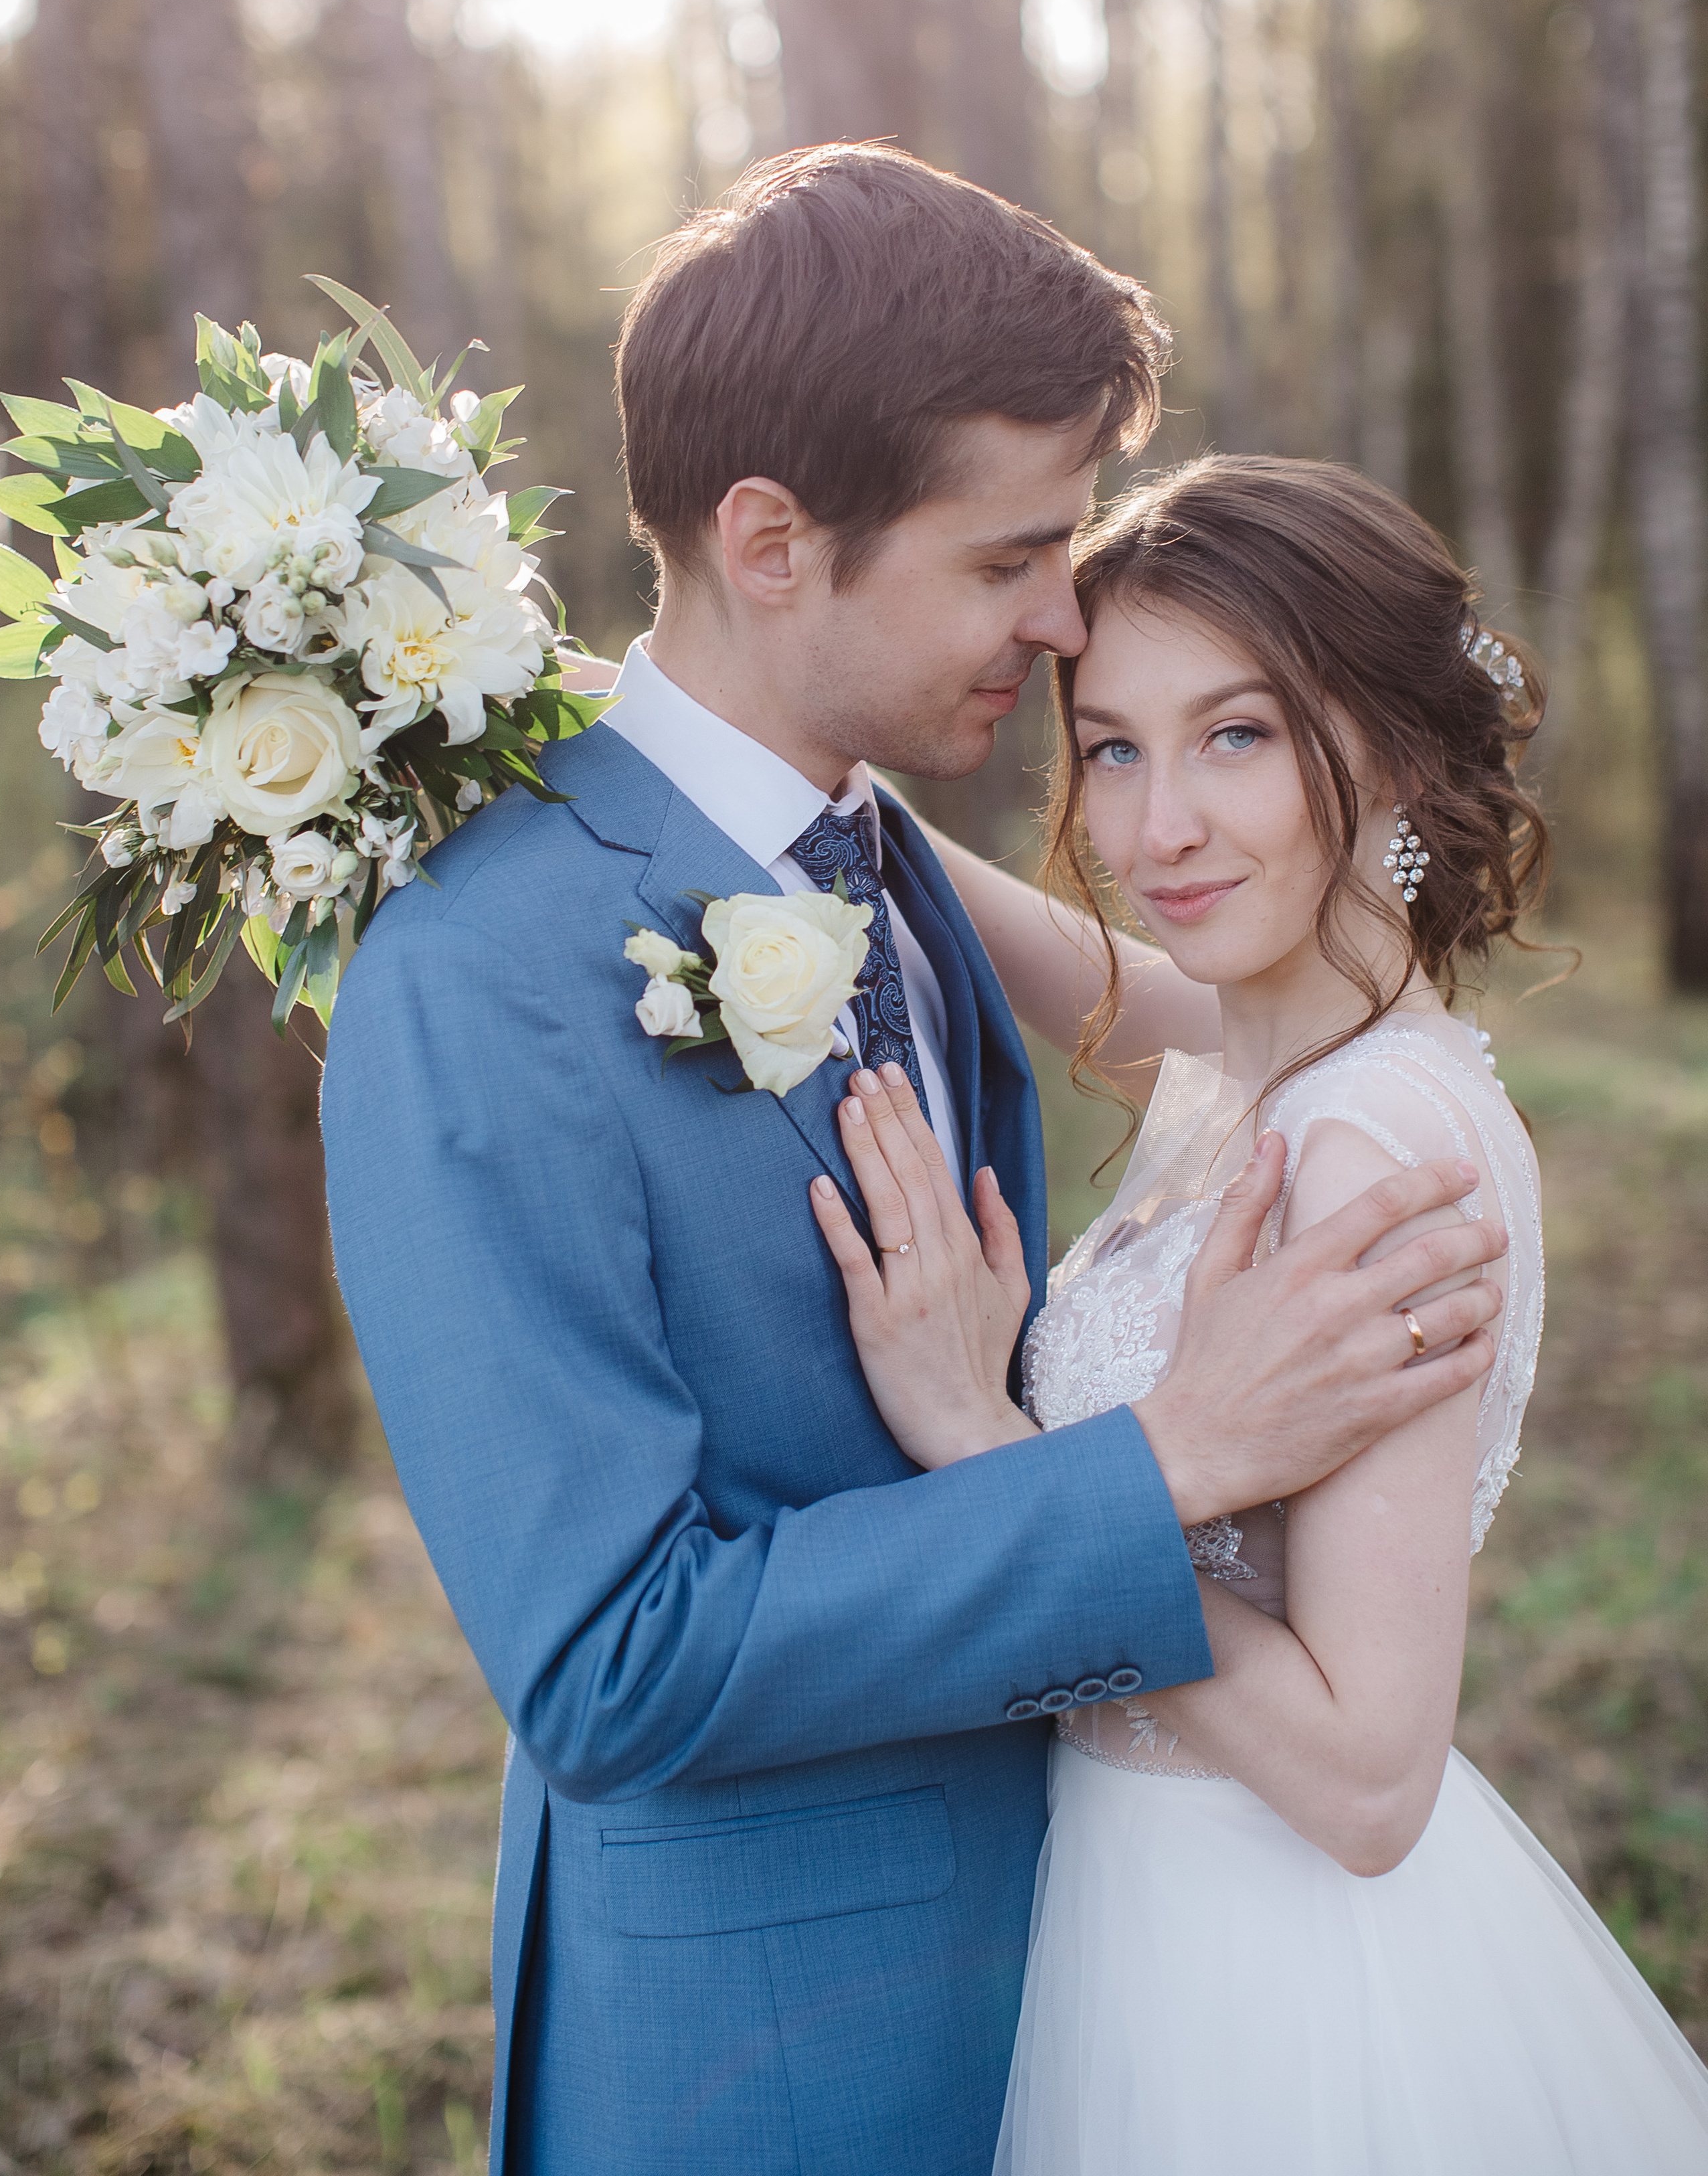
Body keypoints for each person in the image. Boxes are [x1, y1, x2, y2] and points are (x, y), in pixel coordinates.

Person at [319, 149, 1505, 2176]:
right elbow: (608, 1669)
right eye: (1008, 559)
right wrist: (1154, 1467)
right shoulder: (481, 975)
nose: (1063, 619)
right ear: (771, 542)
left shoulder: (878, 852)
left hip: (1105, 1990)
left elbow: (1269, 1005)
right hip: (778, 2067)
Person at [815, 453, 1708, 2175]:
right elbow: (1058, 957)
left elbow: (1370, 1780)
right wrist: (762, 751)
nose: (1155, 831)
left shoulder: (1370, 1147)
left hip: (1263, 1973)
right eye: (1111, 748)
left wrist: (996, 1454)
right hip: (1128, 1897)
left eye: (1233, 736)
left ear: (1386, 748)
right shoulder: (1276, 1053)